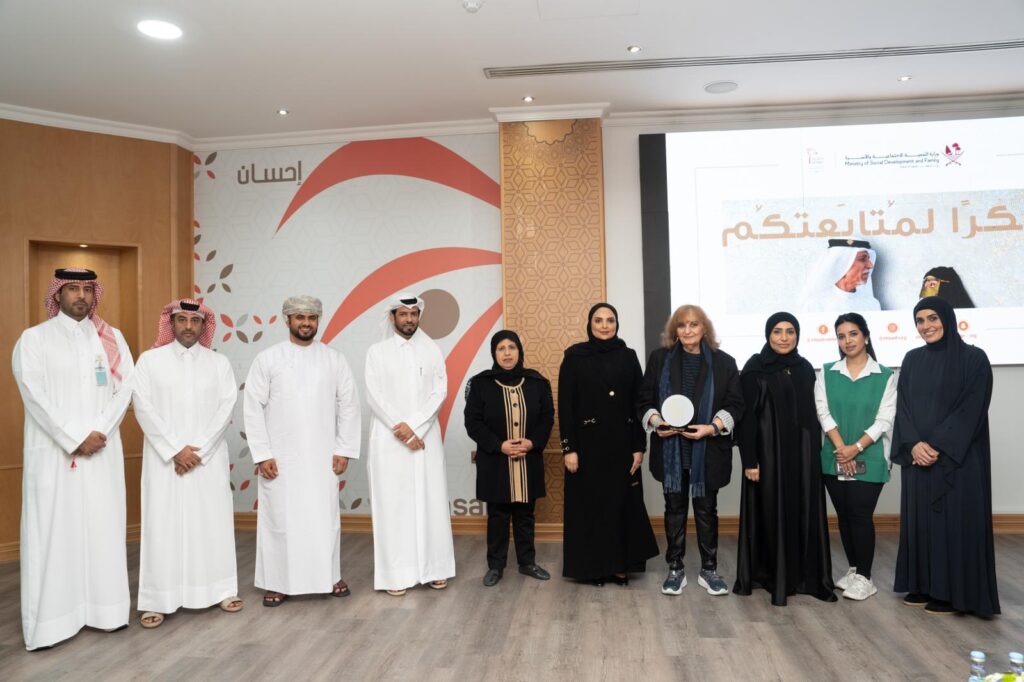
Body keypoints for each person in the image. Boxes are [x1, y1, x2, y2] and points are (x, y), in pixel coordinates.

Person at [12, 268, 135, 650]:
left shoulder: (111, 338)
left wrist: (99, 431)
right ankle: (50, 625)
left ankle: (106, 613)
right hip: (53, 455)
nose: (80, 295)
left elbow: (125, 389)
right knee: (53, 533)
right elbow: (33, 394)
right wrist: (73, 437)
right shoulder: (34, 339)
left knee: (103, 529)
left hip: (102, 450)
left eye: (86, 289)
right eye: (72, 289)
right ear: (58, 294)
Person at [243, 295, 361, 607]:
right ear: (287, 320)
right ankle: (277, 582)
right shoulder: (268, 359)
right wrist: (262, 454)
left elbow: (349, 405)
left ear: (318, 320)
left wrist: (344, 449)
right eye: (299, 317)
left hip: (322, 455)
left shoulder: (334, 359)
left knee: (324, 518)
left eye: (311, 317)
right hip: (280, 458)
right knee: (280, 520)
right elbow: (252, 407)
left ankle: (329, 576)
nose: (306, 323)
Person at [132, 299, 242, 628]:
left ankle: (220, 590)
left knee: (211, 524)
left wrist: (199, 451)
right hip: (164, 459)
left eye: (195, 321)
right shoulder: (149, 361)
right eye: (182, 320)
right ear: (171, 323)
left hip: (207, 459)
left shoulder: (219, 363)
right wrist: (175, 450)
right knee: (162, 526)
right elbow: (142, 406)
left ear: (204, 326)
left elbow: (226, 407)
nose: (189, 327)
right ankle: (157, 599)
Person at [892, 297, 999, 616]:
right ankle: (923, 584)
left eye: (932, 318)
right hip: (918, 459)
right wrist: (913, 444)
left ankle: (951, 592)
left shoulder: (974, 359)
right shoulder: (912, 359)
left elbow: (971, 408)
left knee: (952, 523)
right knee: (920, 522)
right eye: (920, 320)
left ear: (948, 319)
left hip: (957, 461)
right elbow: (903, 407)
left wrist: (936, 445)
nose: (926, 326)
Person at [638, 305, 744, 596]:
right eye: (682, 325)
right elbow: (644, 399)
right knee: (674, 510)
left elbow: (736, 404)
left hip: (708, 451)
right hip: (671, 451)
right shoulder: (659, 359)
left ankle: (709, 570)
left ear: (704, 328)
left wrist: (712, 427)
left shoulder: (724, 362)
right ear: (674, 330)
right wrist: (657, 423)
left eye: (694, 324)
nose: (687, 330)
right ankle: (675, 569)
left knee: (707, 510)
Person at [733, 312, 836, 605]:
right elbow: (746, 419)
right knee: (771, 512)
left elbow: (814, 414)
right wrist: (750, 460)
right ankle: (772, 576)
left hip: (803, 457)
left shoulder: (804, 368)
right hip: (769, 458)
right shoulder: (755, 368)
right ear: (768, 335)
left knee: (803, 511)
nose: (784, 337)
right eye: (777, 331)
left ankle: (804, 576)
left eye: (790, 331)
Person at [559, 303, 659, 585]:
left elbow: (639, 403)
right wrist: (569, 449)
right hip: (587, 447)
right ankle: (594, 568)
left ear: (617, 324)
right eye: (599, 320)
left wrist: (639, 446)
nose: (605, 325)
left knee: (620, 506)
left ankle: (619, 565)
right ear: (590, 324)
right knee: (592, 508)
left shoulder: (628, 356)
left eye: (610, 320)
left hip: (622, 445)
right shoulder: (574, 356)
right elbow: (566, 406)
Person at [364, 293, 456, 596]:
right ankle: (396, 575)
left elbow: (439, 392)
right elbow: (374, 395)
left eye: (414, 314)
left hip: (425, 436)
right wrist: (402, 430)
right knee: (393, 505)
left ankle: (435, 569)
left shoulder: (432, 350)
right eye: (403, 314)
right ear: (392, 317)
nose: (409, 319)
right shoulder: (377, 352)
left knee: (430, 501)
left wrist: (414, 426)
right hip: (389, 439)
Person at [814, 313, 896, 601]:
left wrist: (855, 448)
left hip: (870, 455)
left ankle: (865, 577)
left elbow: (884, 420)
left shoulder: (885, 376)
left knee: (860, 515)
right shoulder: (827, 372)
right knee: (845, 516)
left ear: (866, 337)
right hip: (834, 455)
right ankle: (853, 569)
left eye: (853, 334)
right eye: (841, 336)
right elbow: (823, 412)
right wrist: (842, 449)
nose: (847, 340)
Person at [464, 330, 554, 586]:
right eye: (501, 348)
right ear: (494, 353)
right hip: (495, 461)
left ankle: (527, 562)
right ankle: (495, 566)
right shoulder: (480, 384)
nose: (506, 353)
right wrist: (499, 445)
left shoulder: (537, 382)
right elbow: (473, 422)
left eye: (511, 347)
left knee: (525, 514)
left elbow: (547, 417)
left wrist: (532, 442)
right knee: (498, 516)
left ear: (519, 351)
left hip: (528, 458)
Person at [798, 239, 881, 312]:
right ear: (843, 264)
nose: (870, 265)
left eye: (868, 259)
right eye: (862, 259)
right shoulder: (814, 305)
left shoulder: (872, 304)